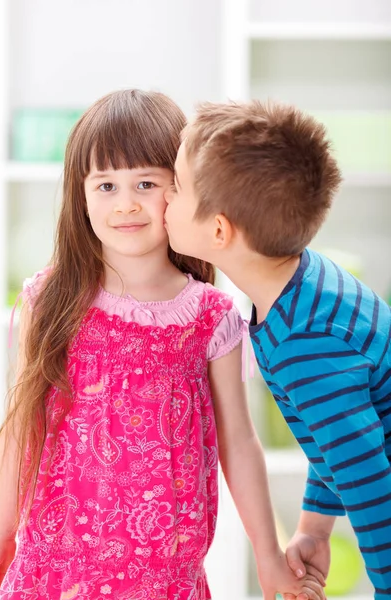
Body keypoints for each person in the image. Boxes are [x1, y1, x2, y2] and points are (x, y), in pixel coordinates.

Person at [0, 90, 323, 600]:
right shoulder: (48, 301)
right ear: (80, 195)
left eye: (147, 183)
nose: (127, 203)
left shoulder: (210, 316)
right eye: (106, 184)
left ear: (180, 192)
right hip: (56, 571)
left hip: (166, 580)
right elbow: (22, 427)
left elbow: (240, 445)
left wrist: (268, 558)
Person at [164, 98, 391, 600]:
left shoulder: (304, 343)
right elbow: (336, 438)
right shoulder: (304, 286)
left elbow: (373, 484)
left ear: (219, 231)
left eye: (176, 188)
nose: (163, 199)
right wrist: (315, 528)